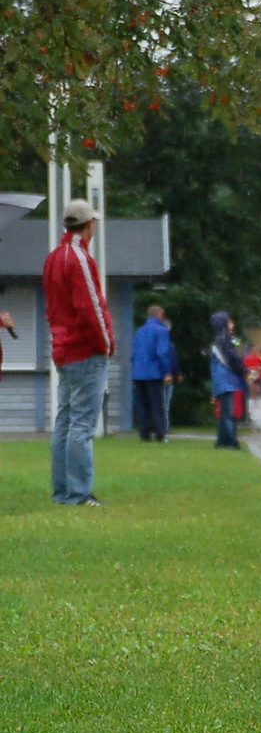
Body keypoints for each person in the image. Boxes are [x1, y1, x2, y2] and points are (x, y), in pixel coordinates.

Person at [43, 198, 116, 506]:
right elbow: (92, 308)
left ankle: (63, 491)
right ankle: (79, 493)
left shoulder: (53, 257)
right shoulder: (79, 258)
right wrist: (107, 344)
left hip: (62, 348)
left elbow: (53, 306)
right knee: (82, 424)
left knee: (65, 420)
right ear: (89, 225)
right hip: (84, 349)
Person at [130, 304, 175, 441]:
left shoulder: (139, 331)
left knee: (142, 405)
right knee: (156, 404)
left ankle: (144, 433)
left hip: (138, 373)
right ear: (159, 315)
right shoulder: (161, 331)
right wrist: (167, 372)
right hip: (154, 373)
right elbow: (162, 352)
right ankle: (159, 433)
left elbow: (133, 354)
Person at [208, 312, 248, 449]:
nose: (232, 325)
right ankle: (230, 441)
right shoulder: (224, 341)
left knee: (225, 413)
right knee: (228, 413)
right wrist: (243, 371)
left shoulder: (220, 341)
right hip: (228, 381)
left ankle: (223, 440)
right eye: (230, 322)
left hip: (222, 381)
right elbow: (231, 360)